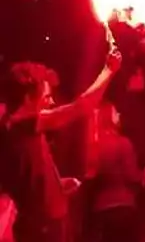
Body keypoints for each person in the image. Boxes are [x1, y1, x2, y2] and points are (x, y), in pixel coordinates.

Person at [0, 48, 122, 242]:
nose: (52, 102)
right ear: (27, 99)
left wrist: (57, 185)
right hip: (42, 230)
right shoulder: (22, 126)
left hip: (44, 226)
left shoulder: (18, 132)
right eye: (46, 97)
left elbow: (28, 181)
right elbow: (82, 106)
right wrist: (109, 69)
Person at [89, 100, 145, 242]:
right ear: (110, 118)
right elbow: (131, 176)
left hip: (100, 209)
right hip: (122, 207)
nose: (119, 115)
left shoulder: (93, 146)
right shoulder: (122, 143)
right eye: (116, 113)